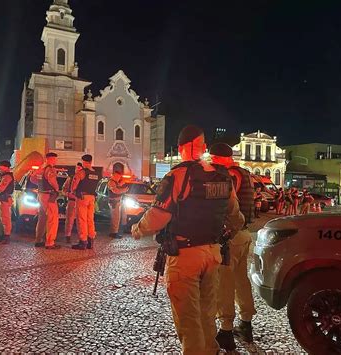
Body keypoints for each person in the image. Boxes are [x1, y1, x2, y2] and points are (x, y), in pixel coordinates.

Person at [131, 125, 245, 355]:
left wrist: (137, 229)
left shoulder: (178, 175)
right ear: (202, 147)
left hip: (184, 256)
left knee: (188, 319)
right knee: (207, 313)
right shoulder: (223, 175)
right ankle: (210, 350)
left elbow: (158, 216)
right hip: (212, 254)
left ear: (182, 147)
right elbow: (237, 218)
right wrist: (223, 235)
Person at [209, 143, 256, 351]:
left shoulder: (229, 176)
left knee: (225, 284)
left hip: (231, 236)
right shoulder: (244, 172)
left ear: (219, 158)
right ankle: (246, 323)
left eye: (212, 158)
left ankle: (226, 329)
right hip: (244, 235)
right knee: (241, 280)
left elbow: (227, 203)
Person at [71, 155, 102, 250]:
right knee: (90, 219)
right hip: (92, 198)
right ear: (91, 161)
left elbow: (74, 186)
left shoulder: (82, 172)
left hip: (82, 197)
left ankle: (83, 241)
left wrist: (73, 191)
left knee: (82, 219)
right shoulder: (97, 174)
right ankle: (91, 240)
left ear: (84, 162)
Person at [32, 152, 61, 249]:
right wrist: (57, 189)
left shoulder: (41, 168)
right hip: (48, 195)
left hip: (41, 194)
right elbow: (52, 181)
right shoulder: (50, 169)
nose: (56, 161)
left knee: (42, 218)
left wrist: (40, 184)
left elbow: (32, 179)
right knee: (52, 218)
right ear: (52, 159)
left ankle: (38, 240)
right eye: (55, 159)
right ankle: (50, 242)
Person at [62, 162, 83, 244]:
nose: (77, 170)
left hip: (81, 202)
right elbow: (64, 189)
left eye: (79, 169)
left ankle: (82, 238)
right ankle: (68, 236)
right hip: (72, 201)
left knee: (81, 221)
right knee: (69, 220)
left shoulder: (84, 179)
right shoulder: (70, 179)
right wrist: (68, 194)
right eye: (77, 168)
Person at [107, 169, 129, 238]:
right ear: (114, 175)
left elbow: (117, 187)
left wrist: (121, 184)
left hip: (117, 202)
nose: (118, 178)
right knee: (115, 218)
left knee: (118, 218)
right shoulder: (111, 182)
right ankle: (113, 233)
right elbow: (115, 191)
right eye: (117, 176)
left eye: (119, 177)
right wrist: (124, 190)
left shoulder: (115, 182)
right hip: (114, 202)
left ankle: (115, 232)